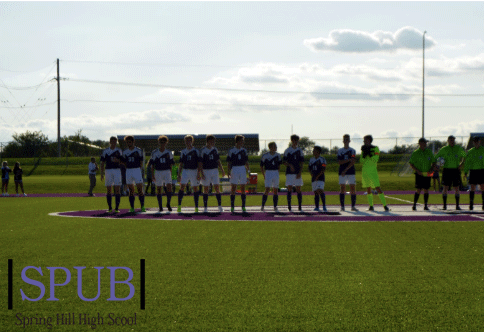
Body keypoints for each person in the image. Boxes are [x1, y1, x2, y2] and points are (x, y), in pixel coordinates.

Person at [435, 135, 467, 210]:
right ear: (448, 141)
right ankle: (444, 205)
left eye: (453, 140)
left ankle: (457, 206)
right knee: (445, 187)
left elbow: (465, 156)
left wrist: (461, 164)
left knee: (457, 188)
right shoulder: (444, 149)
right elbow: (436, 157)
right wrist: (437, 165)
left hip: (455, 170)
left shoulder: (458, 148)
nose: (452, 141)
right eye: (451, 140)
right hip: (446, 170)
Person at [360, 135, 390, 211]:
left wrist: (369, 155)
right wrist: (364, 154)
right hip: (365, 171)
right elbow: (361, 161)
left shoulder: (375, 148)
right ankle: (371, 206)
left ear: (369, 140)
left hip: (373, 171)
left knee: (378, 188)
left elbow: (375, 158)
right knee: (368, 189)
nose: (364, 141)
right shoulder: (363, 150)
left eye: (365, 140)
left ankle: (385, 206)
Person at [408, 138, 436, 211]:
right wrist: (417, 171)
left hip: (427, 173)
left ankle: (426, 205)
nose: (425, 144)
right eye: (424, 143)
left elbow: (433, 162)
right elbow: (411, 163)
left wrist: (431, 170)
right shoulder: (415, 153)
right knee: (418, 189)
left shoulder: (429, 152)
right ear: (420, 143)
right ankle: (414, 205)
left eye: (426, 143)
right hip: (419, 174)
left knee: (426, 189)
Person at [200, 135, 225, 213]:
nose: (213, 143)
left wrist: (222, 169)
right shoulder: (203, 150)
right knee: (206, 189)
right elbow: (200, 162)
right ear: (207, 141)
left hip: (214, 170)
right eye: (211, 141)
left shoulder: (215, 150)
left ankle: (220, 206)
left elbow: (218, 160)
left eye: (214, 141)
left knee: (217, 188)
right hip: (206, 171)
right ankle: (205, 208)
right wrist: (201, 172)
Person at [177, 135, 201, 213]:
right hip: (185, 171)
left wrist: (198, 173)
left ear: (192, 141)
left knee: (195, 188)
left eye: (189, 141)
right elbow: (180, 164)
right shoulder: (183, 151)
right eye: (186, 141)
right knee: (182, 187)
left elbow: (199, 163)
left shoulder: (196, 151)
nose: (188, 142)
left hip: (194, 171)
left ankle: (196, 207)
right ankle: (179, 206)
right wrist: (178, 174)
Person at [122, 136, 146, 213]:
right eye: (127, 142)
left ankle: (142, 206)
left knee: (140, 189)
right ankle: (132, 207)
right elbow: (124, 162)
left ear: (133, 142)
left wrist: (139, 169)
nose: (128, 143)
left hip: (137, 170)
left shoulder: (138, 150)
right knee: (131, 190)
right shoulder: (125, 152)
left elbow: (141, 162)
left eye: (130, 142)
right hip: (128, 171)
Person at [227, 135, 250, 213]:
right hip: (234, 169)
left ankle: (243, 206)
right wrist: (228, 171)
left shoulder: (244, 150)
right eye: (241, 141)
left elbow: (246, 162)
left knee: (243, 188)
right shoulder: (232, 150)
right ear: (237, 141)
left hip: (242, 169)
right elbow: (229, 162)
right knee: (233, 188)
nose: (242, 142)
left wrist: (249, 171)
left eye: (243, 141)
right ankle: (232, 207)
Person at [151, 135, 174, 212]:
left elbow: (171, 163)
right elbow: (152, 164)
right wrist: (152, 174)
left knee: (169, 187)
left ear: (166, 143)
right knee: (159, 188)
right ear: (159, 142)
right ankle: (160, 206)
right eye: (161, 142)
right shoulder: (154, 152)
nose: (162, 143)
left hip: (167, 171)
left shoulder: (169, 152)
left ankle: (168, 203)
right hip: (158, 171)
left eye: (164, 142)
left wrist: (170, 172)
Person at [100, 136, 123, 213]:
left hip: (117, 170)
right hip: (108, 170)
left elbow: (122, 161)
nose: (114, 143)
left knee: (117, 189)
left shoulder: (119, 151)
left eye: (115, 142)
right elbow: (102, 162)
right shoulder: (106, 151)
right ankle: (110, 208)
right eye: (112, 142)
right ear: (110, 142)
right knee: (109, 189)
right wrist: (102, 173)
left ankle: (116, 208)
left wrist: (118, 160)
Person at [337, 134, 358, 211]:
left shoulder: (352, 150)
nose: (346, 141)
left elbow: (353, 162)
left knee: (352, 188)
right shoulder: (340, 151)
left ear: (349, 141)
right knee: (342, 188)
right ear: (343, 141)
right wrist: (348, 160)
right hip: (341, 172)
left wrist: (345, 169)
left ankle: (353, 206)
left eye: (347, 139)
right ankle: (342, 206)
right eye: (344, 139)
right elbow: (340, 162)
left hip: (351, 171)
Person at [283, 135, 304, 212]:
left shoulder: (300, 151)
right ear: (291, 141)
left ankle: (300, 207)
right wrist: (290, 165)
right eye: (294, 140)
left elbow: (302, 162)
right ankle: (289, 206)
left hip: (297, 173)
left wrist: (300, 172)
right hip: (289, 173)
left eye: (297, 140)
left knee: (298, 189)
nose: (296, 142)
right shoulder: (287, 150)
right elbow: (284, 162)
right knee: (289, 188)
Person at [260, 142, 282, 212]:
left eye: (275, 146)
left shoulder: (278, 155)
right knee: (267, 189)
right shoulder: (265, 155)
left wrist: (277, 172)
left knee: (275, 190)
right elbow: (261, 166)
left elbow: (279, 165)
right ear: (270, 148)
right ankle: (263, 206)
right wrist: (264, 174)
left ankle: (275, 206)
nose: (275, 148)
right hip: (268, 172)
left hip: (275, 172)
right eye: (274, 146)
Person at [464, 136, 484, 210]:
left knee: (482, 187)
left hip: (482, 171)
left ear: (479, 142)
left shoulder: (483, 150)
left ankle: (483, 204)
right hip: (473, 171)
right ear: (473, 142)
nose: (476, 143)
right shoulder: (470, 151)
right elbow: (467, 163)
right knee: (472, 188)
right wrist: (465, 172)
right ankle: (471, 204)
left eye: (477, 141)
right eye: (475, 141)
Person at [309, 146, 327, 212]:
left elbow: (323, 169)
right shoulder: (311, 159)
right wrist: (311, 174)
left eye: (314, 150)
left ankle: (324, 206)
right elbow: (309, 168)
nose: (313, 151)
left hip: (320, 178)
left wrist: (318, 176)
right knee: (316, 192)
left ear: (318, 152)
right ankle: (317, 206)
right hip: (314, 178)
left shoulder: (322, 159)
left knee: (320, 190)